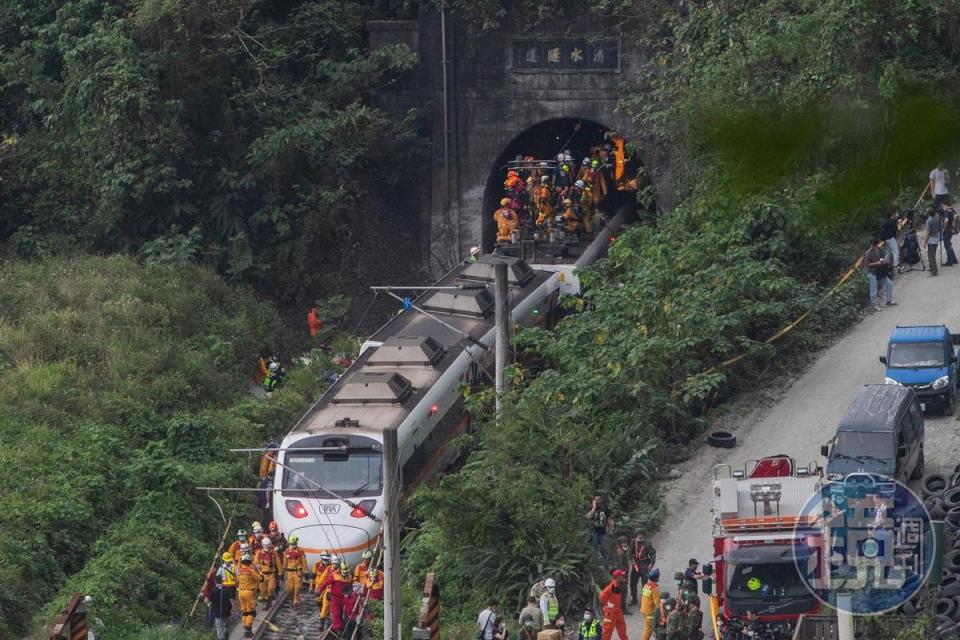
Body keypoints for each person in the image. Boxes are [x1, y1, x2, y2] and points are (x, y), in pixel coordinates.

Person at [864, 237, 894, 311]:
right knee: (874, 289)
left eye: (876, 245)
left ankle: (888, 300)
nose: (875, 247)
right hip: (872, 272)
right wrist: (876, 263)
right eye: (874, 245)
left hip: (881, 271)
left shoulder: (879, 249)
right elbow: (867, 264)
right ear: (871, 245)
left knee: (889, 284)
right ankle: (874, 305)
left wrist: (885, 260)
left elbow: (884, 256)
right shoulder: (868, 253)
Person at [236, 553, 260, 638]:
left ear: (242, 562)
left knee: (245, 612)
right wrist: (259, 573)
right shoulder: (250, 571)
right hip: (249, 593)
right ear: (249, 562)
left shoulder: (239, 571)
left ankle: (247, 631)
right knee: (252, 612)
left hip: (240, 593)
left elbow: (237, 580)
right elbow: (259, 578)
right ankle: (247, 626)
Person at [600, 569, 628, 640]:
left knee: (622, 630)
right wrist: (607, 604)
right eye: (621, 575)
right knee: (607, 632)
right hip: (610, 613)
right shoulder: (612, 586)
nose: (623, 576)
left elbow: (615, 598)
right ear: (618, 577)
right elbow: (602, 595)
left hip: (618, 611)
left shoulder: (616, 585)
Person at [630, 531, 655, 607]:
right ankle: (634, 599)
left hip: (644, 564)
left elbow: (653, 554)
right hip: (636, 564)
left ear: (643, 535)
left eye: (641, 534)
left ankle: (643, 601)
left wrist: (651, 564)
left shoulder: (647, 543)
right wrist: (632, 560)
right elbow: (629, 552)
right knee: (633, 583)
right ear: (636, 535)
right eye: (638, 534)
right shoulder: (633, 542)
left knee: (644, 584)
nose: (639, 536)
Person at [253, 536, 282, 602]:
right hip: (262, 574)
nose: (267, 548)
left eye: (268, 546)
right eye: (266, 547)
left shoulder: (274, 553)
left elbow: (278, 563)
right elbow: (256, 563)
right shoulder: (259, 553)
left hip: (271, 574)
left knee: (271, 588)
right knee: (263, 590)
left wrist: (280, 572)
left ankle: (269, 598)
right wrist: (259, 572)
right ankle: (265, 601)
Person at [587, 495, 613, 563]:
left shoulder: (605, 508)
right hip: (593, 531)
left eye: (599, 499)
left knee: (604, 547)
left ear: (601, 500)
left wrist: (611, 529)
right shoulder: (592, 508)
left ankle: (606, 562)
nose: (597, 501)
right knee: (594, 547)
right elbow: (588, 517)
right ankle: (595, 562)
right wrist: (594, 507)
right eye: (596, 499)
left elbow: (609, 519)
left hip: (603, 531)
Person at [282, 535, 306, 607]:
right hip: (289, 572)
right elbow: (285, 563)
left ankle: (296, 600)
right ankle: (292, 599)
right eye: (290, 544)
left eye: (293, 544)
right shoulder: (286, 551)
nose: (291, 546)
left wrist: (306, 571)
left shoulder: (300, 551)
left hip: (297, 571)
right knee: (289, 588)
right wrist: (282, 573)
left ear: (296, 543)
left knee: (298, 587)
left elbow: (304, 562)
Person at [640, 568, 661, 640]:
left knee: (648, 628)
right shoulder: (654, 589)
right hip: (650, 614)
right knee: (649, 630)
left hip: (644, 610)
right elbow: (657, 604)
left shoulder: (646, 586)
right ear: (656, 578)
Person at [614, 538, 633, 614]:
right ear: (620, 544)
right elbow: (620, 567)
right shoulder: (620, 553)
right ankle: (623, 609)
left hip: (620, 576)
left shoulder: (620, 551)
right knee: (623, 592)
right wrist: (622, 577)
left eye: (626, 543)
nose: (625, 545)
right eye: (623, 543)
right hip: (621, 576)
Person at [927, 206, 942, 276]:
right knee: (932, 254)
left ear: (929, 214)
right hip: (936, 237)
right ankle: (931, 267)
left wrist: (924, 242)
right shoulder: (937, 217)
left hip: (931, 240)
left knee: (931, 256)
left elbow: (927, 233)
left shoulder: (929, 221)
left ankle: (934, 271)